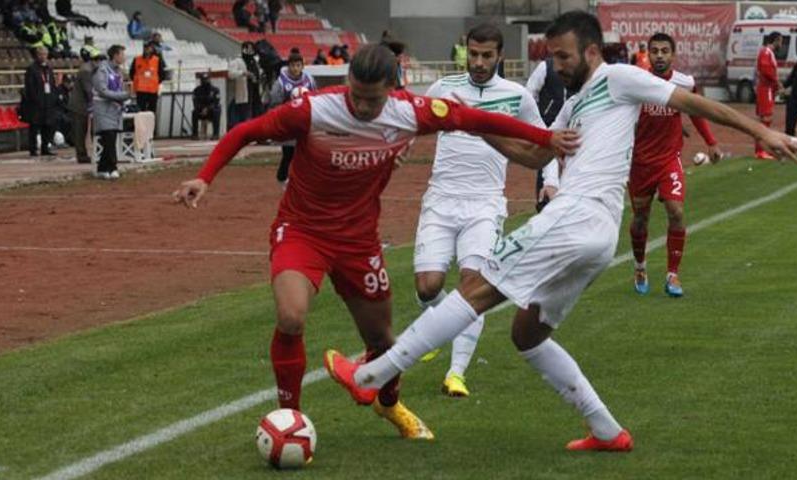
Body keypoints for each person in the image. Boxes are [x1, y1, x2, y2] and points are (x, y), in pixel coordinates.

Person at [323, 11, 797, 453]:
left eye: (563, 56)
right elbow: (537, 156)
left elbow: (694, 103)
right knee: (527, 332)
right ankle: (607, 431)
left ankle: (370, 376)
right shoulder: (574, 107)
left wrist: (762, 133)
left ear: (591, 52)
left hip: (577, 216)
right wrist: (473, 127)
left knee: (475, 287)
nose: (555, 65)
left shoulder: (618, 79)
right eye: (551, 56)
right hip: (596, 235)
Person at [173, 44, 574, 441]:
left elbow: (476, 119)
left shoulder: (411, 112)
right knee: (291, 317)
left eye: (372, 99)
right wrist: (204, 177)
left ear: (392, 88)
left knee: (382, 341)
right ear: (347, 82)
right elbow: (247, 130)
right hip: (302, 230)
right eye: (356, 96)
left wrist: (545, 137)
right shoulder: (313, 109)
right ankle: (289, 420)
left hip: (360, 241)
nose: (362, 107)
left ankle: (388, 401)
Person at [412, 23, 561, 397]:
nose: (478, 62)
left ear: (500, 57)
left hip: (485, 205)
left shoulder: (517, 96)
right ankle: (438, 324)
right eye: (472, 54)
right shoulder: (443, 89)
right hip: (440, 201)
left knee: (470, 286)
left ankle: (456, 374)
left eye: (486, 55)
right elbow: (412, 123)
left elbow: (543, 139)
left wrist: (551, 179)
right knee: (427, 287)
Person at [628, 32, 723, 298]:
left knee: (676, 212)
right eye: (654, 51)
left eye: (664, 51)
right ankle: (640, 267)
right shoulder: (637, 82)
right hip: (640, 162)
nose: (659, 55)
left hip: (669, 159)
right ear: (648, 54)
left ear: (673, 54)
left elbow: (696, 111)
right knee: (640, 218)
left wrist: (711, 142)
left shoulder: (684, 82)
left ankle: (673, 274)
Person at [526, 55, 574, 211]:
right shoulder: (545, 67)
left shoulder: (580, 67)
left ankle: (568, 202)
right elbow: (530, 92)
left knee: (571, 163)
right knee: (545, 161)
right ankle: (543, 201)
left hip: (572, 125)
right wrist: (537, 117)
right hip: (548, 124)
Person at [268, 50, 316, 185]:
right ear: (288, 66)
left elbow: (315, 97)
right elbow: (274, 102)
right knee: (288, 153)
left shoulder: (309, 80)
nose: (295, 68)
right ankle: (282, 178)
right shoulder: (282, 82)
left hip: (304, 122)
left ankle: (302, 180)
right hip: (288, 122)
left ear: (302, 66)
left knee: (305, 153)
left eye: (298, 65)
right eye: (293, 65)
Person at [92, 44, 131, 180]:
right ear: (115, 55)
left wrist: (123, 98)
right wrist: (123, 96)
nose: (124, 57)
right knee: (109, 137)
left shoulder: (118, 71)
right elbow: (102, 91)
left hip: (114, 110)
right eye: (122, 54)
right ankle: (113, 167)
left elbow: (119, 89)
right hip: (103, 110)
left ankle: (102, 168)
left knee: (111, 139)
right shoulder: (102, 70)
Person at [68, 49, 102, 163]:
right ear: (95, 61)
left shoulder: (91, 69)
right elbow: (89, 90)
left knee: (84, 130)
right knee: (80, 131)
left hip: (84, 104)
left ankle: (87, 153)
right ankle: (81, 155)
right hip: (79, 104)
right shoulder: (86, 71)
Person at [23, 46, 58, 156]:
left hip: (48, 102)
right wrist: (36, 99)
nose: (43, 57)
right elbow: (30, 87)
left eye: (45, 54)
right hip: (36, 104)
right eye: (41, 54)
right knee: (34, 127)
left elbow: (52, 84)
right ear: (37, 55)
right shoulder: (32, 69)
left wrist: (52, 98)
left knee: (47, 126)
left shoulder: (49, 68)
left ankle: (45, 148)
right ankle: (33, 149)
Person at [755, 31, 784, 160]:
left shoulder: (768, 52)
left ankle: (762, 149)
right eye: (781, 41)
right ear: (776, 40)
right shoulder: (766, 52)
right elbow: (766, 70)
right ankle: (760, 150)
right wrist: (777, 83)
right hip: (765, 89)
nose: (781, 44)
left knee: (766, 119)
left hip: (767, 89)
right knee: (765, 119)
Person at [129, 42, 167, 114]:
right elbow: (132, 73)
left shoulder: (157, 60)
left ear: (152, 49)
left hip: (153, 91)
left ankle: (151, 125)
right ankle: (140, 125)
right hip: (140, 90)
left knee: (152, 112)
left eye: (149, 47)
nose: (147, 49)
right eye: (145, 47)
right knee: (140, 112)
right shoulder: (137, 59)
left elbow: (162, 74)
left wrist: (155, 82)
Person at [191, 73, 221, 140]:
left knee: (216, 111)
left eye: (207, 79)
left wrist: (207, 109)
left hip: (211, 110)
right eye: (204, 80)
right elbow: (195, 102)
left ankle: (216, 134)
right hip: (200, 110)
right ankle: (195, 134)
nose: (205, 81)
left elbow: (216, 102)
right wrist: (201, 109)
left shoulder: (215, 90)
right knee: (194, 112)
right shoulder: (196, 90)